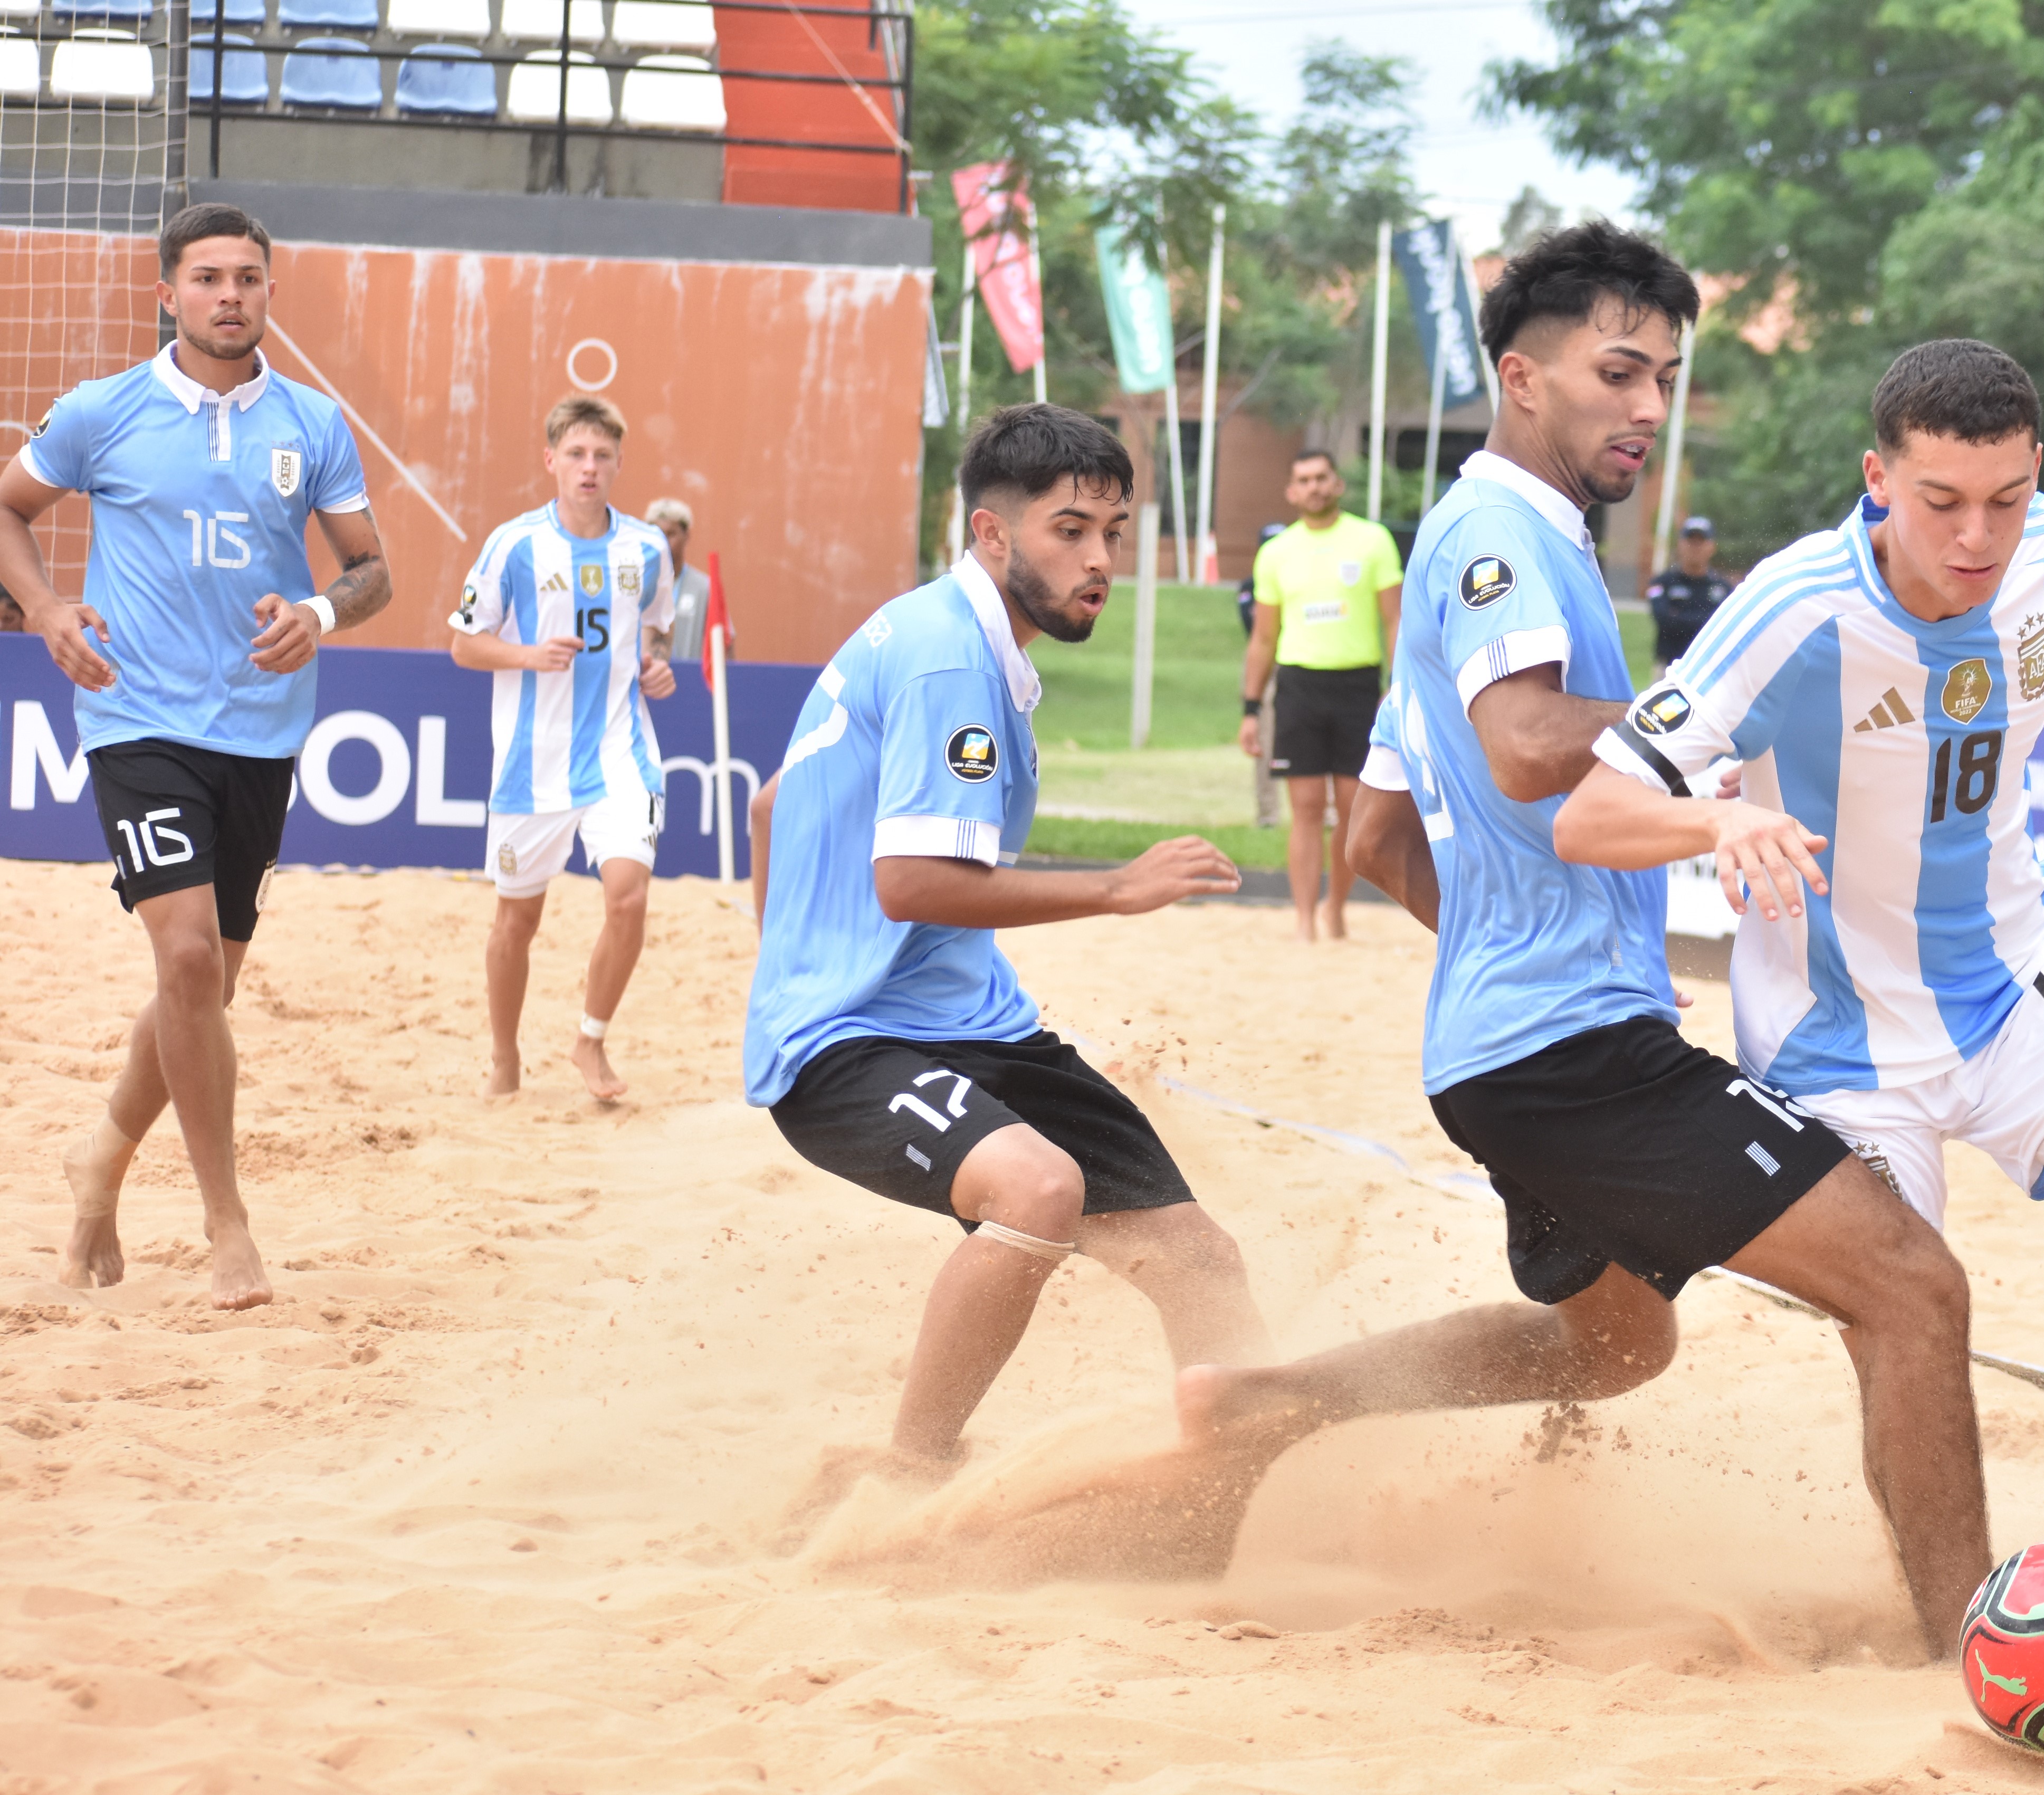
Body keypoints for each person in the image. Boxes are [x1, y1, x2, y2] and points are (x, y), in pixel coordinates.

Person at [1171, 224, 2005, 1656]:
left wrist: (1510, 958)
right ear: (1521, 376)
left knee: (1619, 1346)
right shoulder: (1500, 538)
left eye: (1666, 378)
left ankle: (1273, 1403)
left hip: (1520, 1042)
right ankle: (1982, 1644)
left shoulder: (1473, 544)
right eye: (1618, 373)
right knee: (1916, 1289)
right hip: (1567, 1051)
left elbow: (1379, 841)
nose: (1647, 408)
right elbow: (1520, 744)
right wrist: (1707, 732)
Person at [1553, 337, 2044, 1567]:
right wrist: (1723, 815)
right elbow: (1588, 814)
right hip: (1837, 1035)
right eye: (1940, 501)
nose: (1977, 536)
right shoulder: (1795, 610)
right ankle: (1945, 1623)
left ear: (2037, 475)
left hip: (2014, 969)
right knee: (1912, 1322)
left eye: (2004, 498)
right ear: (1878, 479)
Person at [741, 404, 1266, 1468]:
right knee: (1038, 1188)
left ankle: (1246, 1479)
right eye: (1069, 530)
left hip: (971, 1023)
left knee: (1203, 1261)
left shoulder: (954, 635)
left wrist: (789, 958)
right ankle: (910, 1469)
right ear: (991, 534)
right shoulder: (950, 660)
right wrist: (1114, 888)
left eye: (1113, 533)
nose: (1100, 559)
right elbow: (913, 882)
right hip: (848, 1046)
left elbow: (771, 803)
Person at [0, 202, 387, 1311]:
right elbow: (9, 509)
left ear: (270, 293)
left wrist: (318, 608)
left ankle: (101, 1158)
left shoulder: (312, 423)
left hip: (264, 730)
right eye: (209, 278)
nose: (231, 296)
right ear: (167, 293)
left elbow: (371, 569)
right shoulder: (102, 411)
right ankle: (229, 1225)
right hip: (137, 719)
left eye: (249, 279)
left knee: (207, 983)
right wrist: (44, 609)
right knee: (182, 965)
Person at [450, 394, 679, 1103]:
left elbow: (657, 630)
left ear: (617, 464)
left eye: (602, 456)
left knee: (628, 898)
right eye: (576, 454)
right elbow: (463, 644)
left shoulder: (646, 548)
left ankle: (590, 1040)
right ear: (551, 460)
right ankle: (504, 1055)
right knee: (516, 921)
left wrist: (655, 663)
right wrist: (527, 655)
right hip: (533, 762)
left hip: (621, 750)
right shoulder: (515, 544)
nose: (589, 467)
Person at [1239, 448, 1402, 941]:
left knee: (1352, 809)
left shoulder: (1373, 541)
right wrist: (1250, 708)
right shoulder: (1276, 553)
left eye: (1321, 478)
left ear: (1337, 485)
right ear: (1291, 492)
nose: (1313, 487)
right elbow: (1264, 638)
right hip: (1298, 687)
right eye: (1303, 480)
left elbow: (1395, 619)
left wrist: (1395, 687)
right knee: (1306, 808)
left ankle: (1337, 906)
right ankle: (1305, 920)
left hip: (1358, 686)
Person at [1644, 513, 1731, 671]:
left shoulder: (1723, 588)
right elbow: (1664, 621)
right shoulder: (1662, 583)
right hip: (1668, 667)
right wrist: (1707, 619)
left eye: (1701, 542)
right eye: (1691, 542)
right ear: (1680, 545)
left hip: (1709, 667)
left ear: (1712, 546)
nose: (1695, 548)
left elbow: (1725, 627)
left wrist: (1680, 617)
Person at [643, 496, 715, 664]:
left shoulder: (704, 588)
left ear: (686, 536)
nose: (663, 541)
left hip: (692, 680)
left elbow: (724, 641)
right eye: (657, 534)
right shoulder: (636, 584)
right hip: (646, 679)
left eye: (671, 534)